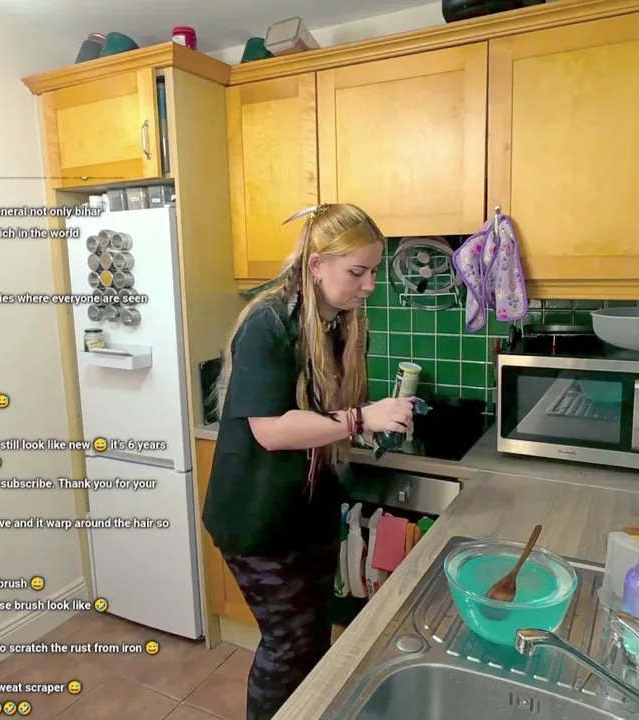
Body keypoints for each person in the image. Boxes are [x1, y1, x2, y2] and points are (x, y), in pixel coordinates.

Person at [203, 203, 415, 720]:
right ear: (317, 266)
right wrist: (360, 419)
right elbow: (272, 430)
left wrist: (362, 422)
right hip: (256, 518)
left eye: (373, 272)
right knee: (288, 644)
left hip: (304, 510)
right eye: (357, 272)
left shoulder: (335, 321)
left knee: (313, 636)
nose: (369, 285)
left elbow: (320, 413)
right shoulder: (268, 324)